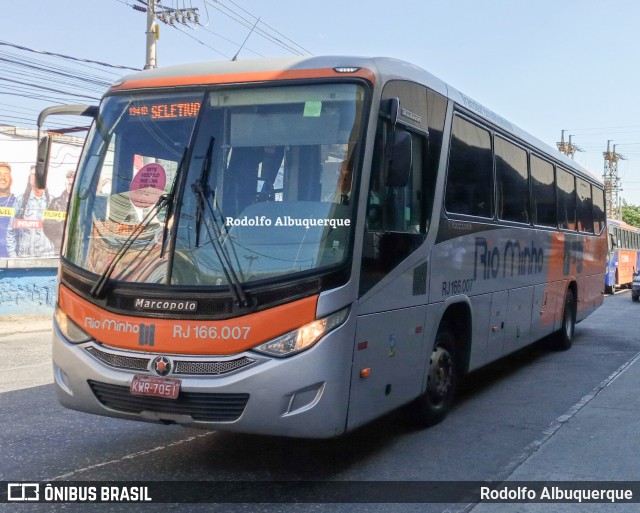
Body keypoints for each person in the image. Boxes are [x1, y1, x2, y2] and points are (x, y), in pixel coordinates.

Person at [7, 166, 54, 258]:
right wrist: (13, 257)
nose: (37, 178)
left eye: (40, 175)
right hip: (25, 258)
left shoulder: (53, 202)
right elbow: (11, 231)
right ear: (29, 179)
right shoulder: (21, 201)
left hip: (47, 259)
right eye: (34, 175)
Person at [44, 170, 75, 253]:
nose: (71, 187)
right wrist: (57, 241)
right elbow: (46, 226)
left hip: (76, 247)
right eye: (69, 184)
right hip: (59, 248)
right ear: (66, 184)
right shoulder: (55, 203)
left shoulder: (83, 203)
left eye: (73, 184)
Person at [0, 162, 16, 257]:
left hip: (11, 258)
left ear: (11, 180)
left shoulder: (18, 202)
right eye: (0, 174)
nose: (2, 177)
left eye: (6, 174)